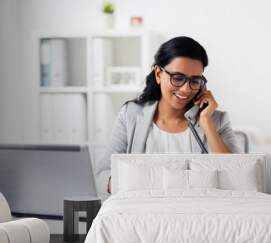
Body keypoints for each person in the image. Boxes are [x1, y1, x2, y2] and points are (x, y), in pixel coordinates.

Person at [96, 36, 242, 198]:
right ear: (158, 74)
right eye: (178, 78)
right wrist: (129, 182)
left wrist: (207, 123)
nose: (186, 89)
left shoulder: (216, 120)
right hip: (142, 210)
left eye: (195, 81)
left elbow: (237, 178)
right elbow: (103, 173)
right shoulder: (131, 114)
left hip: (198, 212)